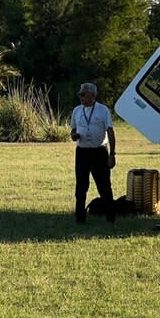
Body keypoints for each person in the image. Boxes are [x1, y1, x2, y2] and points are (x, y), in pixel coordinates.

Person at [70, 82, 116, 223]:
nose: (80, 97)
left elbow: (110, 131)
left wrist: (112, 154)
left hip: (99, 152)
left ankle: (110, 218)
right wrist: (74, 135)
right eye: (80, 94)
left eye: (83, 94)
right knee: (81, 186)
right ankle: (80, 218)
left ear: (92, 95)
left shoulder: (103, 110)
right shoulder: (77, 110)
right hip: (82, 152)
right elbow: (73, 130)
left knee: (104, 186)